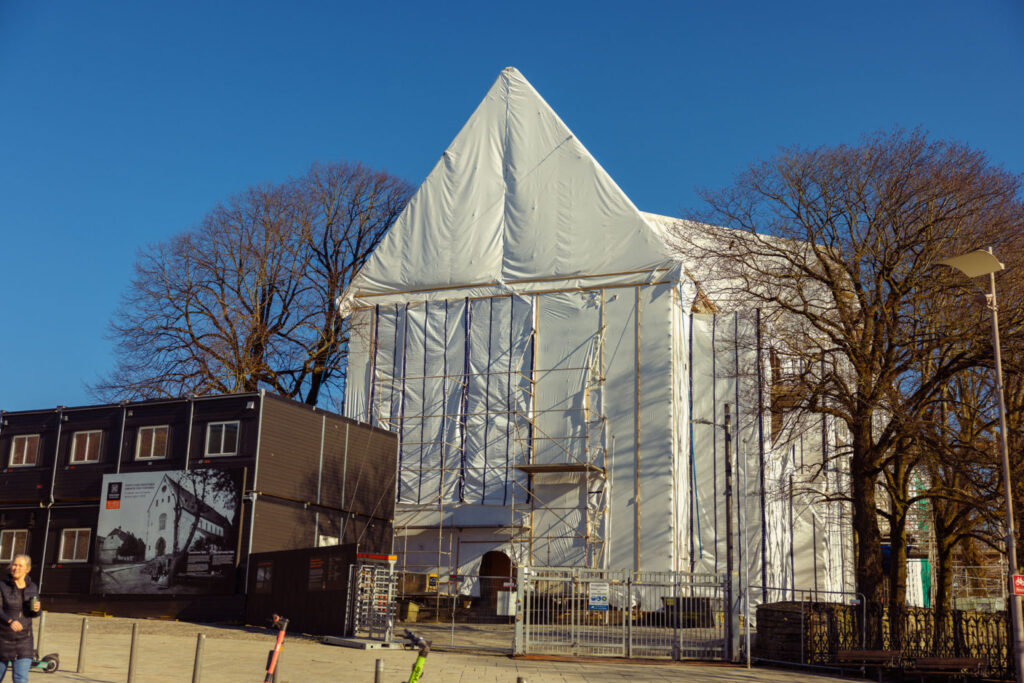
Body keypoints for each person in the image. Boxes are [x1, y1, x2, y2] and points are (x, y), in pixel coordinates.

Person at [0, 555, 41, 683]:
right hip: (2, 640)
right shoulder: (2, 586)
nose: (16, 568)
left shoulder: (32, 587)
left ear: (27, 569)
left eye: (20, 565)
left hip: (24, 641)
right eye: (14, 565)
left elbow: (33, 614)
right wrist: (10, 621)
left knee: (21, 679)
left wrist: (36, 609)